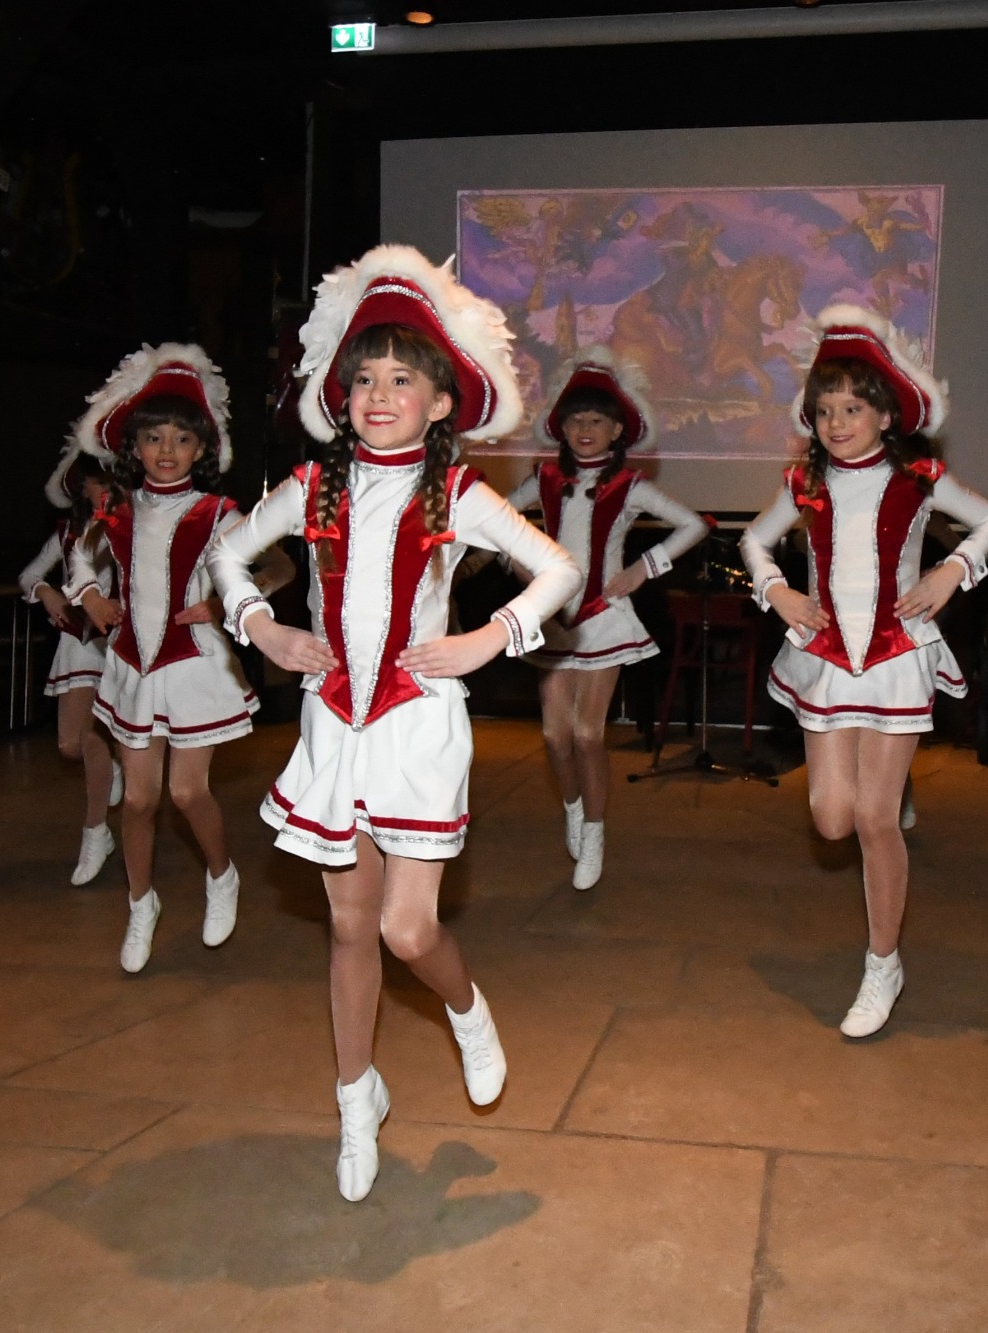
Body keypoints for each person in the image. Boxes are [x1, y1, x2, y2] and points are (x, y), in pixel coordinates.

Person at [209, 245, 579, 1202]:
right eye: (365, 378)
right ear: (342, 398)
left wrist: (487, 638)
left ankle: (467, 1011)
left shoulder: (457, 492)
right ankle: (355, 1099)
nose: (380, 394)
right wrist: (262, 628)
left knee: (409, 930)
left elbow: (559, 570)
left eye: (402, 379)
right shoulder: (312, 486)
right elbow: (227, 556)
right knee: (348, 925)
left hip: (418, 722)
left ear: (441, 402)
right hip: (333, 724)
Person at [740, 305, 988, 1039]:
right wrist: (777, 589)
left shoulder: (919, 477)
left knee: (871, 818)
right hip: (827, 656)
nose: (836, 422)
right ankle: (892, 783)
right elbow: (753, 541)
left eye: (852, 408)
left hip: (897, 654)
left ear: (887, 416)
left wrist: (954, 568)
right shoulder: (804, 481)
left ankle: (882, 963)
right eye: (825, 409)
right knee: (831, 819)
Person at [59, 344, 269, 971]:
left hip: (195, 666)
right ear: (135, 446)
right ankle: (140, 903)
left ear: (202, 449)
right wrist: (91, 596)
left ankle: (221, 875)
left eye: (181, 438)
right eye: (154, 438)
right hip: (132, 666)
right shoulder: (117, 510)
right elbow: (79, 557)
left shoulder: (218, 513)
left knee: (187, 792)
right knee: (139, 800)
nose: (167, 449)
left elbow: (275, 568)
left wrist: (224, 603)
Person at [504, 347, 707, 889]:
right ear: (561, 427)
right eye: (576, 420)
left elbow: (692, 524)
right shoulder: (546, 478)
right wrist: (519, 566)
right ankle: (573, 809)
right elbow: (497, 521)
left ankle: (594, 832)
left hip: (605, 617)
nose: (585, 429)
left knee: (588, 734)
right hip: (554, 618)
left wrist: (643, 569)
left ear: (617, 430)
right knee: (554, 735)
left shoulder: (631, 485)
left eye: (596, 420)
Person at [19, 451, 123, 885]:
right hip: (79, 642)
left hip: (120, 643)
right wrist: (46, 592)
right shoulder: (67, 533)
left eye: (112, 484)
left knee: (92, 740)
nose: (105, 492)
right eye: (97, 483)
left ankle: (95, 832)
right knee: (68, 745)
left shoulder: (133, 528)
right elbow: (29, 575)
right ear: (83, 488)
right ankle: (111, 772)